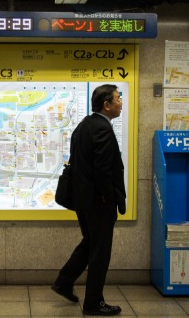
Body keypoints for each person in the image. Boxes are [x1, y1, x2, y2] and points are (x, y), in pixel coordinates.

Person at [51, 84, 126, 316]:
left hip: (84, 200)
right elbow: (103, 170)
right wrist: (107, 198)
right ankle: (93, 303)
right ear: (107, 105)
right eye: (117, 98)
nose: (120, 102)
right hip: (98, 202)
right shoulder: (102, 129)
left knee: (91, 242)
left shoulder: (84, 125)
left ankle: (64, 282)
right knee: (100, 252)